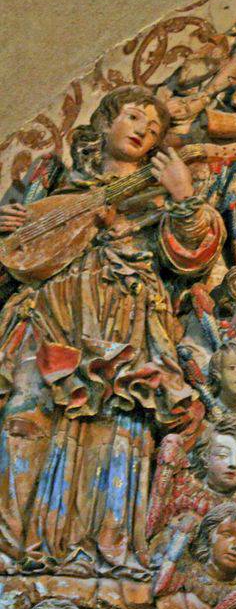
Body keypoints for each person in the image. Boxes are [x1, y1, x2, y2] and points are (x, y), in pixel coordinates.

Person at [0, 86, 222, 577]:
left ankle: (99, 552)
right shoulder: (60, 193)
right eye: (134, 116)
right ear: (104, 123)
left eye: (154, 128)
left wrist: (183, 196)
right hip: (51, 312)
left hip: (122, 316)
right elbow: (21, 257)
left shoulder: (157, 193)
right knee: (25, 416)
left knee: (114, 423)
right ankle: (9, 547)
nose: (143, 129)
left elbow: (194, 254)